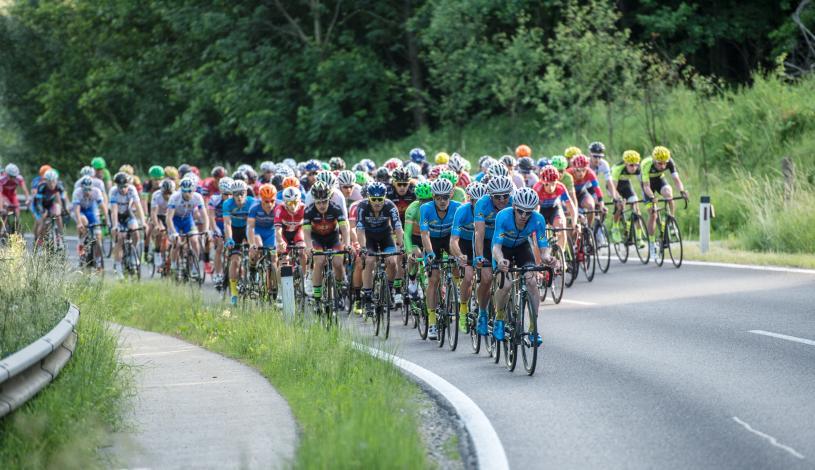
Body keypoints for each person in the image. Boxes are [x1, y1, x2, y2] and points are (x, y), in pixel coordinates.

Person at [490, 187, 549, 344]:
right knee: (506, 285)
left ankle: (533, 328)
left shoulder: (538, 219)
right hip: (503, 250)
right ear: (514, 206)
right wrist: (501, 260)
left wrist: (549, 258)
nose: (524, 216)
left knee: (532, 282)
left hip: (523, 247)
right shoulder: (503, 216)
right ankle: (499, 318)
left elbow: (543, 248)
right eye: (520, 211)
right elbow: (496, 247)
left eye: (528, 212)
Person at [420, 178, 462, 340]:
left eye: (445, 197)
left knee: (457, 261)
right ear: (433, 196)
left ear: (451, 194)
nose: (442, 201)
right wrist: (429, 253)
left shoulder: (457, 207)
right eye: (438, 197)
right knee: (434, 279)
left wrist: (459, 255)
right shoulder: (426, 208)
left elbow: (457, 236)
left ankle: (456, 287)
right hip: (433, 243)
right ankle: (431, 322)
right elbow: (424, 234)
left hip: (449, 239)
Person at [473, 175, 514, 336]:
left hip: (507, 241)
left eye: (506, 195)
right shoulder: (482, 204)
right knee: (487, 278)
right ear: (490, 196)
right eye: (498, 196)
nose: (502, 199)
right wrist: (480, 257)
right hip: (486, 240)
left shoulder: (514, 201)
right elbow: (479, 233)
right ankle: (482, 312)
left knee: (509, 278)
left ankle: (503, 314)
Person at [356, 181, 404, 316]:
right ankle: (367, 297)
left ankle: (389, 288)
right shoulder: (362, 206)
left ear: (384, 198)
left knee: (393, 262)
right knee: (370, 261)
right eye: (374, 199)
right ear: (369, 198)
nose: (377, 202)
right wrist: (363, 248)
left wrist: (400, 246)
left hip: (385, 236)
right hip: (369, 237)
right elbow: (359, 230)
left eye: (380, 199)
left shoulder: (390, 206)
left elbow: (398, 228)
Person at [302, 181, 350, 305]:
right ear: (314, 201)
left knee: (338, 263)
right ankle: (317, 297)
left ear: (329, 199)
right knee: (319, 261)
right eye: (318, 202)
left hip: (333, 238)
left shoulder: (336, 208)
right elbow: (306, 233)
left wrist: (347, 244)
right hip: (316, 239)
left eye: (324, 201)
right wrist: (308, 247)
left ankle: (339, 289)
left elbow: (344, 229)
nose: (322, 205)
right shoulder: (309, 211)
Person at [450, 182, 487, 332]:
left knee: (488, 276)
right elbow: (453, 240)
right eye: (474, 201)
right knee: (468, 275)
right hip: (465, 244)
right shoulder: (462, 211)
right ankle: (463, 309)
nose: (477, 204)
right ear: (470, 200)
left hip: (483, 243)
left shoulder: (489, 210)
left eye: (481, 201)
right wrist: (459, 255)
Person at [641, 146, 689, 259]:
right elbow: (646, 186)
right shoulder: (646, 164)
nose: (662, 166)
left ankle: (671, 220)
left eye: (664, 163)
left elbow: (677, 180)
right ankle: (652, 244)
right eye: (659, 164)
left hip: (659, 181)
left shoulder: (670, 162)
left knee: (669, 193)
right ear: (654, 160)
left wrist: (682, 191)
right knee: (653, 214)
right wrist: (652, 197)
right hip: (647, 186)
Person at [223, 180, 256, 305]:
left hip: (248, 228)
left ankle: (253, 271)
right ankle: (234, 293)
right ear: (232, 195)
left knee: (255, 252)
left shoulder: (252, 202)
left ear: (246, 193)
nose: (239, 197)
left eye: (241, 193)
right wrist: (229, 239)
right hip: (235, 230)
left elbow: (255, 224)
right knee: (235, 260)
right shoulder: (227, 204)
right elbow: (227, 223)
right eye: (236, 194)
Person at [109, 172, 147, 278]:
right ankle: (118, 266)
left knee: (135, 232)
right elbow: (114, 211)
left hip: (127, 213)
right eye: (120, 187)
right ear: (117, 186)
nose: (123, 189)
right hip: (116, 216)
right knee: (119, 239)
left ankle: (132, 254)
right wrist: (115, 226)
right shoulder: (113, 192)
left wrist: (143, 222)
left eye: (125, 186)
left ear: (128, 185)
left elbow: (139, 207)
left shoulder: (132, 189)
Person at [247, 184, 279, 298]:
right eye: (266, 201)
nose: (269, 204)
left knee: (274, 258)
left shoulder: (279, 206)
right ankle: (252, 268)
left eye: (272, 201)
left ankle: (273, 287)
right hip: (257, 232)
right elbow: (250, 227)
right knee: (257, 248)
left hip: (271, 232)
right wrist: (252, 244)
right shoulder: (254, 207)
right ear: (261, 199)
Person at [72, 176, 108, 267]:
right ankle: (81, 245)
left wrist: (107, 219)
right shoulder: (77, 192)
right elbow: (76, 209)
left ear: (92, 187)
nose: (87, 192)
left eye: (89, 189)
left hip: (91, 210)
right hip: (81, 211)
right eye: (85, 189)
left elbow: (103, 207)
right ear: (82, 188)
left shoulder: (97, 191)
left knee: (98, 236)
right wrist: (79, 223)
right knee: (83, 222)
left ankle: (99, 260)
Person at [32, 169, 67, 247]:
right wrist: (42, 212)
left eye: (53, 181)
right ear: (46, 181)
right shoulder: (41, 187)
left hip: (49, 204)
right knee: (42, 221)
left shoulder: (59, 186)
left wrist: (64, 210)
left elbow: (63, 200)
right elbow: (38, 203)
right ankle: (38, 240)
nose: (52, 184)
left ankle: (60, 235)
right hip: (38, 205)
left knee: (58, 216)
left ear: (56, 180)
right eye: (49, 181)